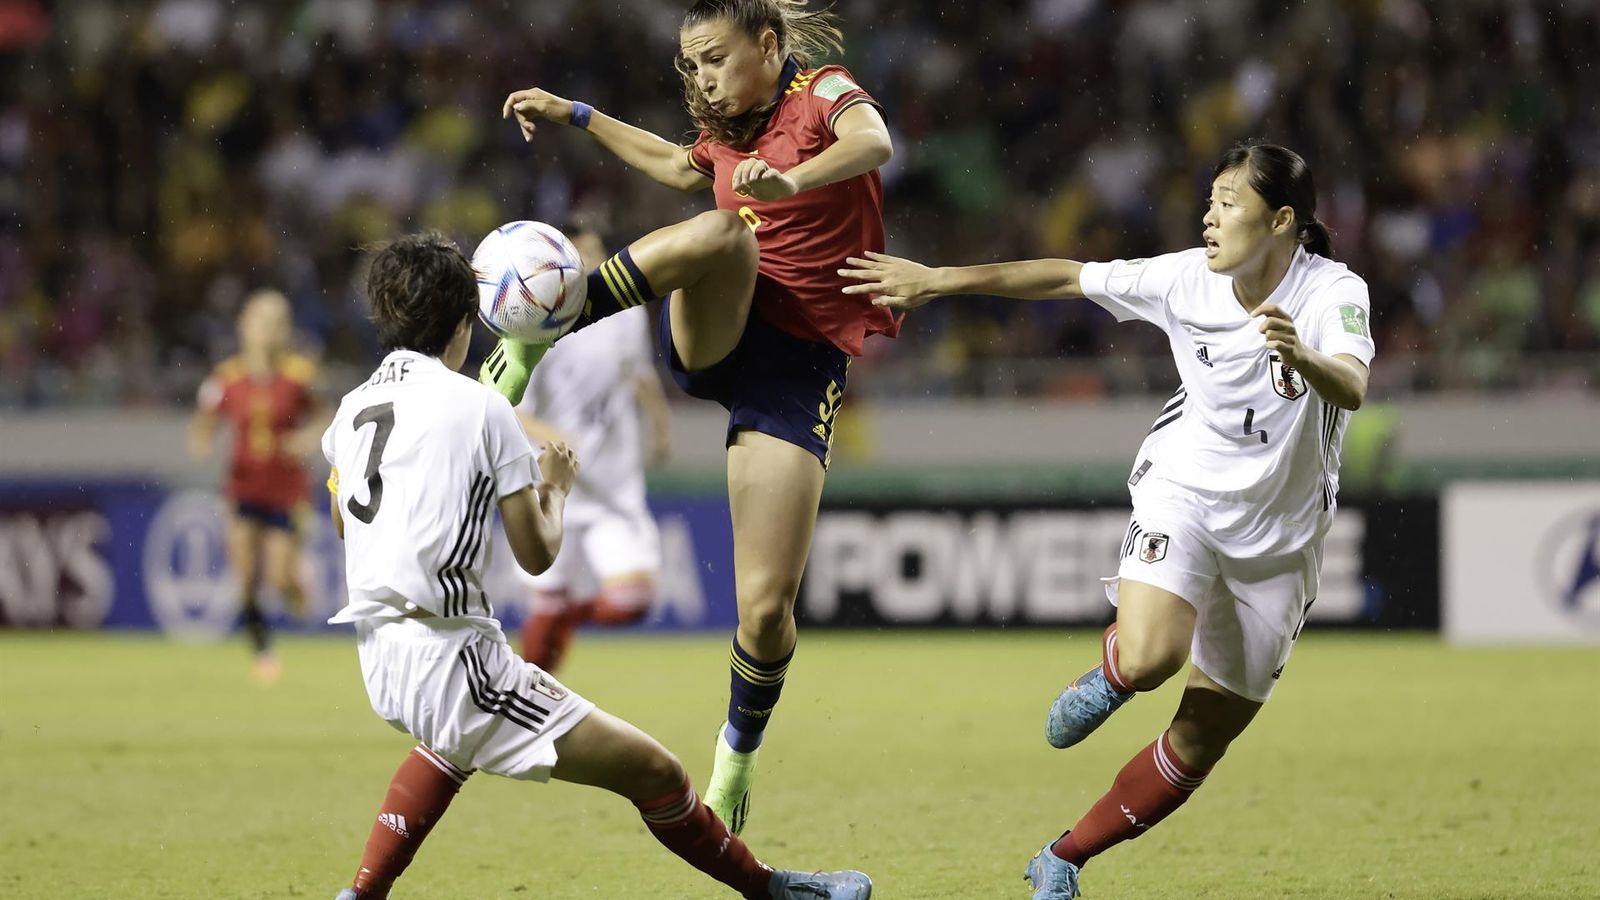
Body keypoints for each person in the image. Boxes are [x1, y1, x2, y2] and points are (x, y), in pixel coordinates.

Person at [839, 142, 1374, 900]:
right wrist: (939, 281)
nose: (1209, 216)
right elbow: (1065, 275)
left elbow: (1351, 383)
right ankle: (1119, 668)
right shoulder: (1186, 277)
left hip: (1281, 545)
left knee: (1198, 743)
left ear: (1282, 219)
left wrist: (1302, 354)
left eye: (1229, 203)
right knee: (1154, 657)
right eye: (1210, 200)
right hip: (1184, 491)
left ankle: (1062, 858)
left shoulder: (1331, 293)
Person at [324, 232, 870, 900]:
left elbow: (343, 517)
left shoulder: (354, 408)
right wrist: (553, 482)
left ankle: (361, 893)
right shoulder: (481, 408)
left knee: (453, 740)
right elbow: (537, 553)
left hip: (379, 652)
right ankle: (772, 890)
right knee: (657, 771)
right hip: (452, 655)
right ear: (468, 320)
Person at [490, 0, 897, 833]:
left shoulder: (822, 92)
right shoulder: (725, 134)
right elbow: (677, 168)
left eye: (713, 59)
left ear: (768, 46)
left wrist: (792, 179)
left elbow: (874, 144)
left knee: (765, 608)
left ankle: (735, 757)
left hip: (795, 365)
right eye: (691, 65)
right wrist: (575, 113)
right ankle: (546, 327)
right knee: (722, 231)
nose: (702, 78)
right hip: (719, 327)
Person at [515, 224, 673, 672]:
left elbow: (640, 374)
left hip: (612, 484)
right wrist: (551, 434)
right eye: (576, 253)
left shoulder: (625, 313)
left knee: (632, 602)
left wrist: (660, 425)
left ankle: (567, 617)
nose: (588, 262)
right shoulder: (536, 324)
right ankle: (525, 710)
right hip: (554, 487)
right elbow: (509, 409)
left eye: (594, 251)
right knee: (544, 613)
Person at [189, 289, 320, 682]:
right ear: (245, 326)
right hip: (243, 488)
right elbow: (205, 420)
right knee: (245, 576)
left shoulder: (299, 376)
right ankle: (262, 651)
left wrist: (306, 440)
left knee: (277, 580)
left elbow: (323, 418)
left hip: (286, 489)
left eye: (277, 322)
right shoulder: (227, 377)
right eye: (263, 321)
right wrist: (203, 440)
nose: (270, 331)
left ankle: (296, 583)